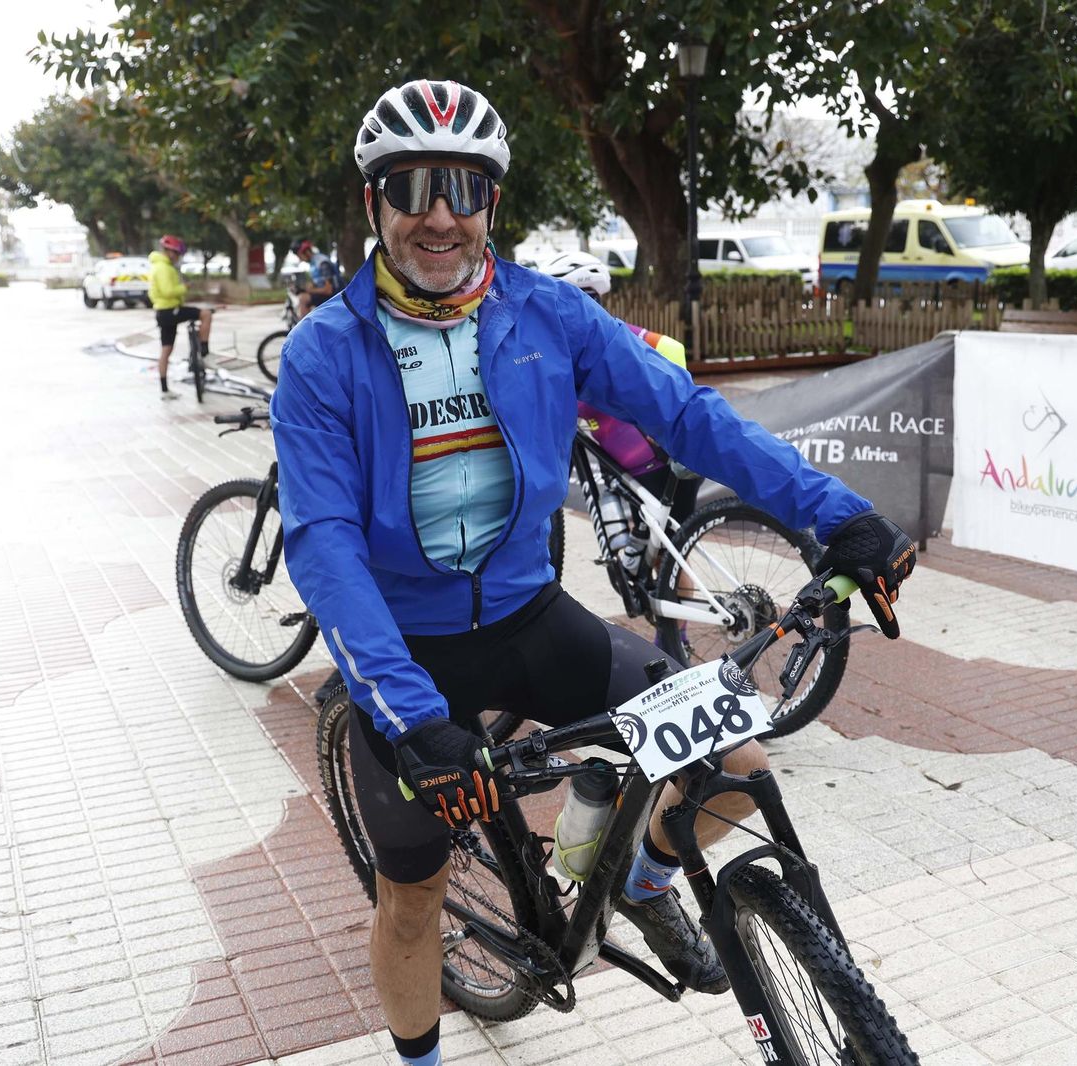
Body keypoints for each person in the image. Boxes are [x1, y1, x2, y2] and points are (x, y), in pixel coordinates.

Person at [271, 79, 915, 1066]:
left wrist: (839, 517)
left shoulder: (547, 315)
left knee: (736, 766)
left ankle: (644, 881)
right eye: (412, 186)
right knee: (412, 901)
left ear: (492, 201)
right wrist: (409, 717)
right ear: (375, 203)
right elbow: (322, 545)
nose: (439, 213)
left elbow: (689, 416)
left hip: (532, 619)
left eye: (464, 186)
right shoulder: (325, 353)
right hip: (407, 658)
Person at [541, 249, 705, 655]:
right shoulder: (569, 352)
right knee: (654, 549)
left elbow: (672, 349)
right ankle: (668, 629)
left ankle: (675, 641)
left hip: (665, 463)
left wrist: (671, 416)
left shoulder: (617, 335)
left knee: (670, 552)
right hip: (632, 470)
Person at [148, 235, 213, 400]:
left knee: (166, 350)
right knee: (206, 314)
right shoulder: (164, 268)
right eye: (176, 253)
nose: (178, 257)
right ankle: (204, 351)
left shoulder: (160, 266)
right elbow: (168, 291)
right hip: (170, 311)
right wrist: (184, 287)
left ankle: (164, 389)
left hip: (163, 312)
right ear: (169, 252)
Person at [293, 239, 340, 320]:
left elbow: (329, 290)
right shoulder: (313, 263)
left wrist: (311, 291)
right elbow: (316, 283)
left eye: (299, 255)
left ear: (306, 252)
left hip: (334, 296)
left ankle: (305, 331)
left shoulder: (322, 263)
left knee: (302, 298)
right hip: (325, 295)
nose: (300, 259)